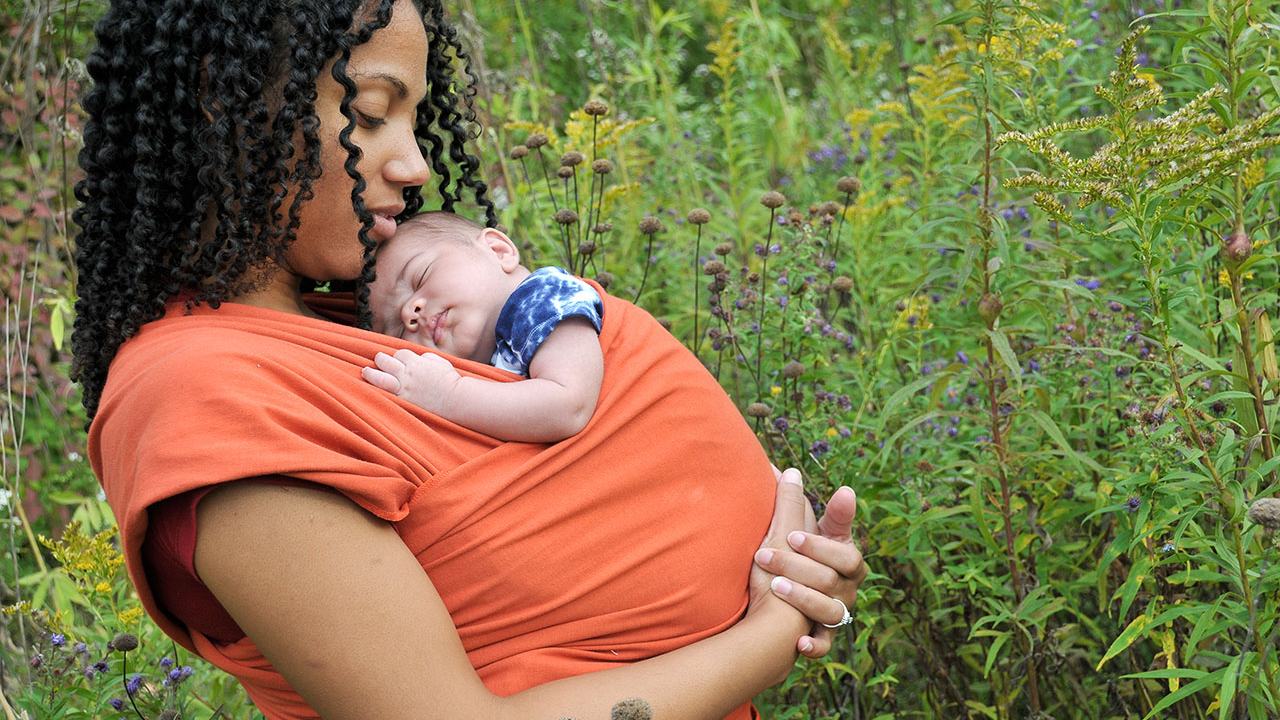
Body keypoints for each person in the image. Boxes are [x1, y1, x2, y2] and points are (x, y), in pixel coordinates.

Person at [72, 2, 869, 719]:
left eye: (416, 119)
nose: (415, 164)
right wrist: (772, 631)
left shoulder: (362, 318)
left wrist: (788, 567)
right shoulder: (205, 398)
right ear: (228, 103)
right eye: (373, 112)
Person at [363, 211, 605, 442]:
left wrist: (449, 395)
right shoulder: (485, 358)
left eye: (420, 276)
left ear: (498, 251)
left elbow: (569, 407)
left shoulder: (544, 298)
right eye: (396, 330)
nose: (409, 313)